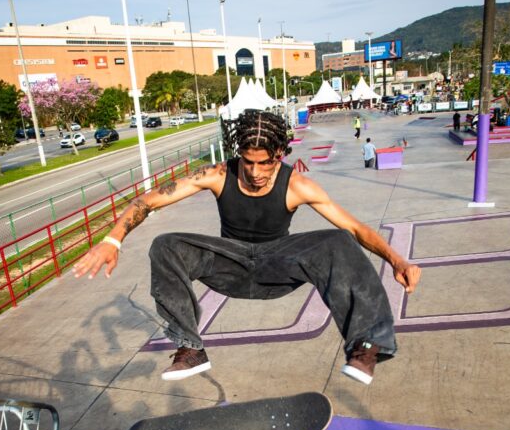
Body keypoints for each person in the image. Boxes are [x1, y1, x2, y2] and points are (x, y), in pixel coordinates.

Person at [73, 109, 421, 385]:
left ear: (281, 154)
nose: (255, 172)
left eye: (265, 163)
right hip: (230, 265)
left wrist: (395, 259)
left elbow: (356, 227)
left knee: (338, 240)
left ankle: (365, 346)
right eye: (248, 161)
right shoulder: (218, 174)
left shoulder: (298, 184)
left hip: (277, 267)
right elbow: (148, 201)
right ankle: (190, 348)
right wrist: (112, 239)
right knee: (165, 245)